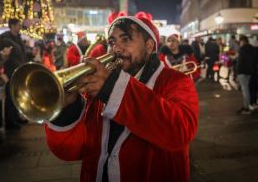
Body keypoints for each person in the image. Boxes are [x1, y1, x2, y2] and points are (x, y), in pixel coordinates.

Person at [45, 16, 199, 181]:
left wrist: (113, 88)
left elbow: (179, 132)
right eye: (111, 42)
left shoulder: (177, 81)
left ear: (149, 46)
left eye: (125, 39)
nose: (116, 49)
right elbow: (75, 150)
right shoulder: (101, 87)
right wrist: (67, 111)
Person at [0, 18, 27, 129]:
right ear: (12, 26)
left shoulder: (18, 38)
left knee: (16, 95)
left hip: (19, 70)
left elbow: (21, 53)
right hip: (11, 70)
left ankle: (16, 117)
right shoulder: (6, 39)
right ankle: (10, 121)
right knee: (10, 96)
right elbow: (9, 56)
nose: (20, 27)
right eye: (18, 25)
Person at [236, 35, 257, 114]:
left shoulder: (242, 49)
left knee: (245, 90)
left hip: (242, 72)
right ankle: (247, 106)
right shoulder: (252, 49)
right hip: (249, 72)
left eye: (240, 41)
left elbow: (240, 62)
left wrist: (237, 72)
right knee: (247, 89)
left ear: (243, 41)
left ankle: (246, 108)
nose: (239, 43)